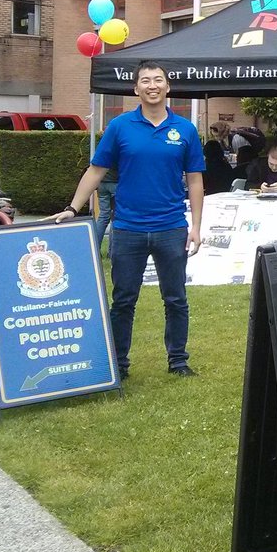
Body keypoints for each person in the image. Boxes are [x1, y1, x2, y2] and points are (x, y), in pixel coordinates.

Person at [53, 60, 204, 380]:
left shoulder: (186, 130)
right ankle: (119, 363)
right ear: (136, 89)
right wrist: (73, 208)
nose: (152, 86)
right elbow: (96, 170)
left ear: (168, 87)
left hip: (171, 228)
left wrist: (196, 227)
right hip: (127, 229)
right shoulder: (120, 127)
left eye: (158, 80)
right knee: (123, 300)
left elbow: (194, 180)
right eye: (145, 81)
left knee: (176, 299)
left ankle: (178, 361)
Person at [94, 165, 118, 257]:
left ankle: (94, 249)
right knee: (116, 217)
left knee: (103, 216)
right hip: (116, 183)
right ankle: (111, 252)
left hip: (102, 183)